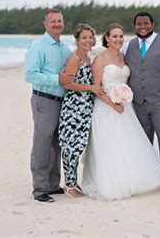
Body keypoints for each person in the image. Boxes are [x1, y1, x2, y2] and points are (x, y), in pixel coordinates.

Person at [81, 23, 160, 200]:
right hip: (106, 107)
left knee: (128, 143)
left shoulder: (124, 57)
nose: (118, 39)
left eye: (121, 36)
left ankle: (133, 179)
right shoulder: (100, 59)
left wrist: (123, 98)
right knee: (110, 145)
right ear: (106, 38)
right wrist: (112, 103)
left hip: (125, 107)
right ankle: (112, 183)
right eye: (114, 36)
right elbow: (96, 88)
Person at [122, 11, 160, 194]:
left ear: (152, 24)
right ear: (134, 26)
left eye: (146, 23)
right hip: (139, 103)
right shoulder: (128, 46)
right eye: (139, 24)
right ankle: (146, 179)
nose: (142, 27)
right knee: (142, 142)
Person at [24, 9, 72, 203]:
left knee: (55, 144)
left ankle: (53, 184)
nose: (57, 24)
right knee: (42, 145)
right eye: (53, 21)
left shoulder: (64, 48)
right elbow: (30, 74)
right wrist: (57, 79)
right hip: (44, 100)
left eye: (59, 21)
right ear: (45, 23)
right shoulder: (38, 46)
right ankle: (40, 188)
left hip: (62, 102)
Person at [58, 23, 102, 198]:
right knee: (71, 146)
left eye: (90, 37)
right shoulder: (75, 58)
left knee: (79, 144)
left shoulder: (88, 58)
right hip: (73, 107)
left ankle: (73, 182)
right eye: (84, 37)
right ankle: (69, 184)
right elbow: (67, 84)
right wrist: (91, 88)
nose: (88, 40)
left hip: (85, 107)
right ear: (77, 40)